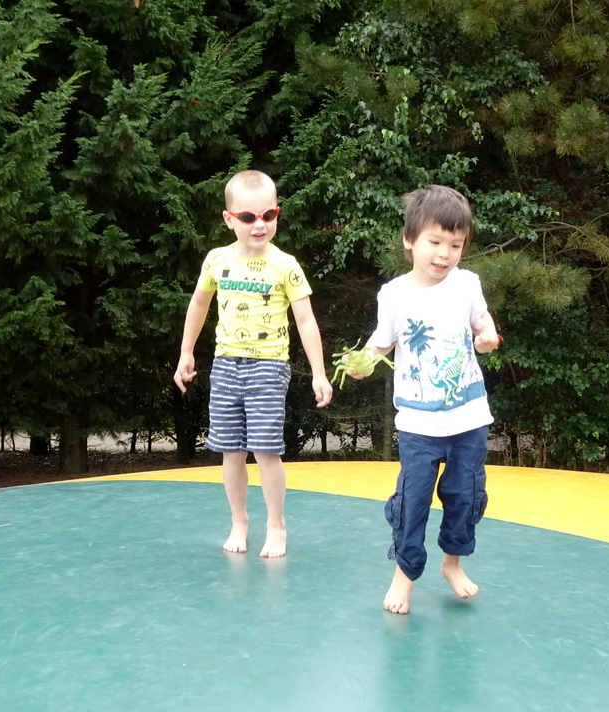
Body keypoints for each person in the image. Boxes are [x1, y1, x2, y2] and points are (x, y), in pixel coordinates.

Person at [348, 185, 500, 613]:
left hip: (468, 417)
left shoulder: (467, 284)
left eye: (455, 245)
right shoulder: (394, 294)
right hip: (418, 424)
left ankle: (452, 562)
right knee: (413, 502)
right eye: (435, 242)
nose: (444, 253)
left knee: (465, 495)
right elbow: (382, 343)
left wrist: (486, 336)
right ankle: (404, 574)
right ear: (409, 240)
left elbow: (481, 322)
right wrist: (364, 362)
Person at [174, 170, 332, 558]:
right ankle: (239, 520)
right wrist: (186, 352)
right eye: (248, 217)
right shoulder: (216, 260)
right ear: (230, 219)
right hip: (226, 365)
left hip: (268, 367)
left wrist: (319, 372)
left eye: (269, 215)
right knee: (230, 450)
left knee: (265, 451)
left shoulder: (286, 265)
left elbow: (306, 320)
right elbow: (199, 304)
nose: (259, 225)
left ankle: (276, 525)